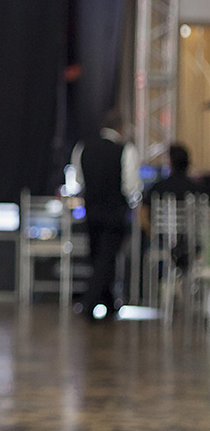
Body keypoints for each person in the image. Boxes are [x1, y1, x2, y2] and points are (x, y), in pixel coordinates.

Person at [71, 109, 140, 320]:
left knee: (98, 257)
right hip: (115, 213)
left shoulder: (83, 147)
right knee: (106, 258)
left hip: (91, 212)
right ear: (120, 127)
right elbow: (130, 186)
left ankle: (108, 303)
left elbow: (78, 180)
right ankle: (89, 302)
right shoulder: (125, 150)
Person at [140, 142, 203, 268]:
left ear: (170, 162)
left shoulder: (158, 188)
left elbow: (143, 214)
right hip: (192, 241)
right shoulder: (197, 189)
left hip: (163, 240)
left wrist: (151, 232)